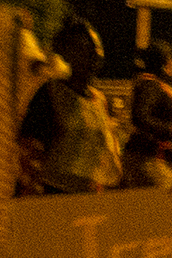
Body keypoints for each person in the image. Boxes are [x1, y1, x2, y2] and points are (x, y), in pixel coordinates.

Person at [18, 20, 117, 195]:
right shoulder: (51, 93)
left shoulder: (99, 100)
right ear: (65, 53)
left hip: (90, 196)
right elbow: (29, 148)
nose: (95, 54)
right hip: (52, 194)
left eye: (97, 47)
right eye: (83, 49)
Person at [122, 44, 172, 189]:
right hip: (152, 161)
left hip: (161, 161)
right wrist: (170, 130)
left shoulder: (160, 85)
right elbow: (140, 116)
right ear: (165, 62)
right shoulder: (150, 85)